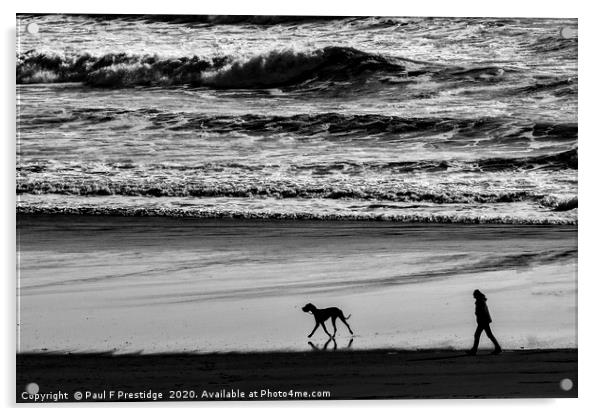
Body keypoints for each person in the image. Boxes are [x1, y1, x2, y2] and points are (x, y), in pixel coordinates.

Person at [468, 290, 502, 355]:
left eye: (474, 295)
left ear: (477, 295)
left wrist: (477, 314)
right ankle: (498, 348)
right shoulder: (481, 300)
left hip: (483, 321)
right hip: (484, 320)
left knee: (477, 335)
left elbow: (482, 311)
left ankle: (474, 350)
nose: (473, 296)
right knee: (488, 335)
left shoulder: (480, 301)